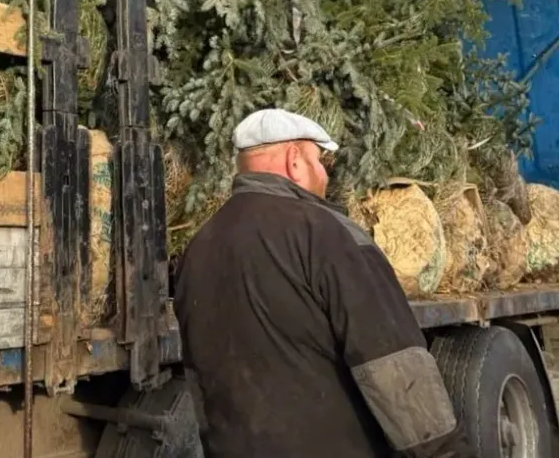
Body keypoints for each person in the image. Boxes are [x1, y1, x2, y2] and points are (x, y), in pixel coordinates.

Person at [173, 107, 470, 458]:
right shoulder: (329, 234)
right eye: (319, 161)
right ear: (294, 160)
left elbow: (200, 383)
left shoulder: (199, 248)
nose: (324, 175)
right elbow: (391, 363)